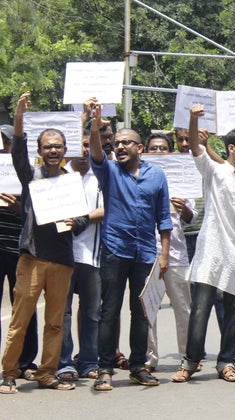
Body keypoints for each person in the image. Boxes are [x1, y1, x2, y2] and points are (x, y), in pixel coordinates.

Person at [88, 103, 173, 391]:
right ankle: (104, 368)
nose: (120, 147)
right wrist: (96, 123)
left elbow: (164, 218)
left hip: (146, 253)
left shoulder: (157, 176)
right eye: (118, 143)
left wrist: (164, 254)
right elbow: (97, 153)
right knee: (109, 309)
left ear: (139, 147)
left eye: (127, 143)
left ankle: (138, 366)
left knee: (141, 312)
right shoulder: (109, 172)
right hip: (115, 250)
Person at [171, 105, 235, 383]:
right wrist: (194, 119)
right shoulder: (215, 171)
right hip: (210, 250)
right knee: (200, 310)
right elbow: (196, 146)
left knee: (232, 312)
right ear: (232, 148)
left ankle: (226, 362)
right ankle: (190, 362)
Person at [0, 92, 75, 393]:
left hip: (62, 261)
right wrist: (19, 116)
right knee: (21, 319)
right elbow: (18, 150)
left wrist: (76, 222)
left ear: (65, 149)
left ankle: (47, 373)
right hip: (32, 258)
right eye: (47, 147)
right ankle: (9, 372)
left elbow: (81, 218)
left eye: (57, 146)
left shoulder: (71, 182)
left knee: (55, 323)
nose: (53, 150)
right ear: (41, 151)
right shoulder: (32, 177)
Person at [144, 133, 196, 373]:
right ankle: (149, 358)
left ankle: (188, 356)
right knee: (147, 310)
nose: (158, 152)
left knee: (184, 309)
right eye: (153, 148)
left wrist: (183, 207)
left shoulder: (181, 177)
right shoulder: (138, 176)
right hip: (146, 254)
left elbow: (191, 218)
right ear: (145, 150)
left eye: (163, 148)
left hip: (175, 254)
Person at [56, 128, 104, 382]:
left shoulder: (102, 175)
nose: (85, 150)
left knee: (92, 312)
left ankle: (88, 360)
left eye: (89, 145)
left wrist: (82, 219)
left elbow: (109, 207)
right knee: (62, 312)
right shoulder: (61, 177)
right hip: (63, 256)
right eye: (80, 145)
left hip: (93, 256)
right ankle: (63, 363)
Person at [0, 124, 39, 383]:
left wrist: (19, 209)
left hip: (20, 248)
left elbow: (40, 211)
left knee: (24, 306)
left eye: (8, 142)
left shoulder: (29, 173)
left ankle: (25, 361)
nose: (4, 147)